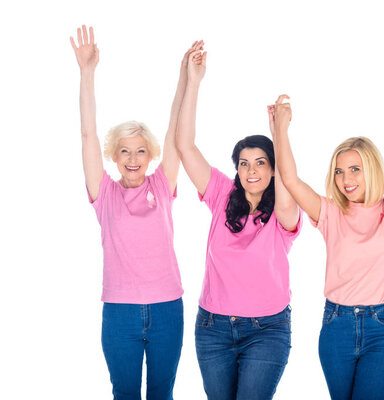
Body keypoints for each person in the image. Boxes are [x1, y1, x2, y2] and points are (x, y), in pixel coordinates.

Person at [270, 64, 384, 399]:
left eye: (355, 169)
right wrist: (280, 128)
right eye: (339, 171)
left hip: (382, 328)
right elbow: (291, 180)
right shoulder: (330, 212)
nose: (346, 179)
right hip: (336, 325)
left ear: (371, 168)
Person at [71, 25, 197, 399]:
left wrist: (185, 78)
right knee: (124, 393)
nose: (132, 158)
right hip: (120, 314)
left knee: (162, 392)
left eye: (140, 150)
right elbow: (87, 135)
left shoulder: (161, 185)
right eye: (124, 151)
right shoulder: (104, 193)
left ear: (150, 155)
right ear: (114, 154)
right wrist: (87, 73)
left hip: (166, 310)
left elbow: (177, 131)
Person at [174, 43, 302, 400]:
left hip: (267, 329)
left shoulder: (283, 211)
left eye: (261, 162)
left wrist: (280, 130)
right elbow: (185, 146)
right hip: (213, 328)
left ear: (273, 168)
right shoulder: (220, 193)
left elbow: (289, 182)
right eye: (244, 163)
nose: (251, 170)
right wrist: (194, 81)